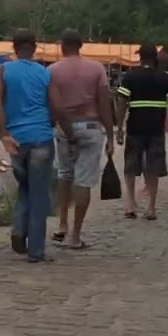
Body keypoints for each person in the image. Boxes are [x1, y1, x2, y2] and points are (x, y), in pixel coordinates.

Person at [0, 29, 76, 263]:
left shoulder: (2, 71)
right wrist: (70, 135)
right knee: (39, 194)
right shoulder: (44, 73)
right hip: (40, 137)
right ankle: (36, 250)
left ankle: (19, 229)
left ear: (14, 46)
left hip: (16, 140)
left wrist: (3, 133)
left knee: (25, 187)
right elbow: (58, 107)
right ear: (35, 47)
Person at [49, 30, 114, 251]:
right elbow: (104, 102)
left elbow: (51, 104)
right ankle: (76, 235)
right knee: (83, 180)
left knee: (64, 174)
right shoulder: (96, 68)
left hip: (64, 127)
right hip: (90, 125)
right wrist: (111, 133)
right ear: (80, 46)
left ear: (62, 46)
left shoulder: (52, 70)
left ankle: (62, 224)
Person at [114, 44, 168, 220]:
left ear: (140, 57)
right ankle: (151, 207)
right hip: (156, 129)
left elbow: (122, 102)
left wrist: (119, 127)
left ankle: (130, 203)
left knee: (130, 165)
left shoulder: (130, 77)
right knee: (153, 167)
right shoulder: (164, 78)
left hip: (135, 127)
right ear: (155, 58)